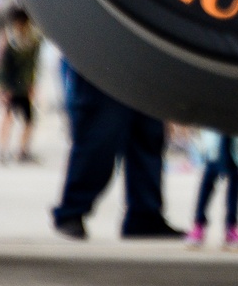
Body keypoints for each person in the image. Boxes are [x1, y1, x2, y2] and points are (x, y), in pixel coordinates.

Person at [51, 64, 183, 240]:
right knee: (100, 135)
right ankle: (72, 210)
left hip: (145, 65)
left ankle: (144, 216)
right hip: (104, 61)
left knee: (148, 134)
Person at [186, 133, 238, 250]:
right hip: (219, 129)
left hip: (233, 131)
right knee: (216, 170)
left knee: (230, 172)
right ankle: (203, 224)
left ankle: (205, 224)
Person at [0, 6, 42, 164]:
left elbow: (33, 65)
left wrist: (32, 84)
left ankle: (21, 150)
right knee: (8, 118)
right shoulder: (12, 41)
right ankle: (4, 149)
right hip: (13, 86)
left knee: (28, 120)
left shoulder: (31, 40)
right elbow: (5, 67)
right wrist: (4, 89)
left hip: (22, 86)